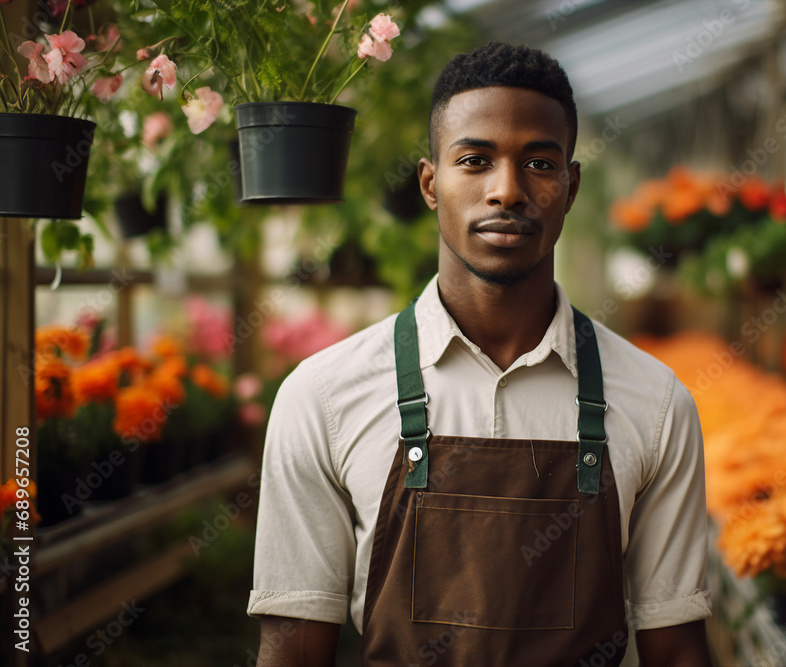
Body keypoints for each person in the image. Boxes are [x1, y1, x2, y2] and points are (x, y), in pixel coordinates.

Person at [247, 41, 713, 666]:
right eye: (474, 160)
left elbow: (678, 651)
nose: (507, 190)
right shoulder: (323, 397)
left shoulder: (655, 404)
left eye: (540, 164)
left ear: (571, 187)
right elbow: (291, 650)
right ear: (430, 183)